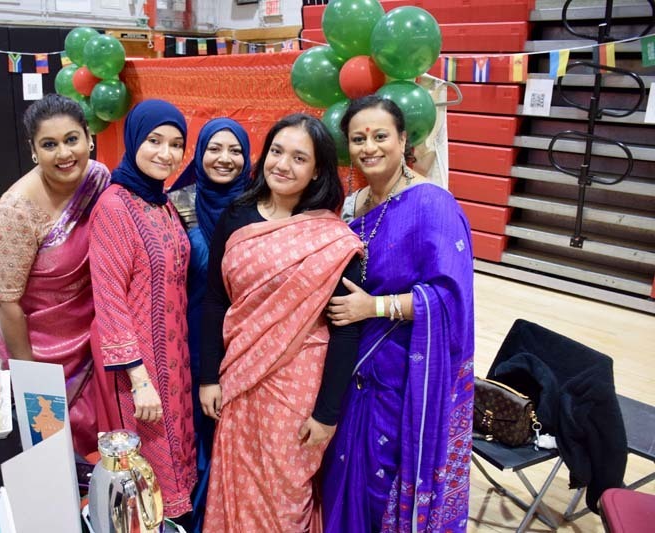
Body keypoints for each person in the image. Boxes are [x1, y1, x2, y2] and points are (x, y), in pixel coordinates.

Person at [199, 113, 363, 532]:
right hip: (238, 376)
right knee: (238, 482)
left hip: (297, 386)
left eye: (299, 158)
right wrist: (208, 377)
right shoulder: (236, 216)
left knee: (284, 491)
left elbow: (346, 331)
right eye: (276, 151)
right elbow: (216, 301)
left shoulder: (330, 238)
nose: (282, 165)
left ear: (317, 171)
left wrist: (326, 414)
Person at [322, 95, 475, 532]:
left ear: (403, 139)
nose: (369, 147)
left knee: (382, 480)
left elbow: (450, 299)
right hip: (352, 365)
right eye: (358, 138)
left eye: (380, 136)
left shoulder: (432, 204)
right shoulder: (353, 204)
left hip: (405, 372)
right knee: (343, 473)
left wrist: (373, 307)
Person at [0, 94, 110, 457]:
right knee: (51, 451)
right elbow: (6, 301)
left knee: (102, 441)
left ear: (89, 138)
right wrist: (31, 380)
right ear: (33, 150)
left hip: (94, 338)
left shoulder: (99, 179)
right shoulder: (16, 210)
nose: (64, 154)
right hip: (39, 347)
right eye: (49, 144)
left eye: (71, 139)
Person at [89, 99, 196, 522]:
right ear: (134, 140)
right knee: (145, 477)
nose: (166, 153)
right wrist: (139, 380)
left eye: (176, 144)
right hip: (140, 370)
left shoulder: (161, 201)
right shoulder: (114, 206)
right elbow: (109, 298)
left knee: (175, 458)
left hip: (174, 362)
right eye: (154, 141)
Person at [167, 117, 251, 533]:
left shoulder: (258, 205)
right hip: (192, 342)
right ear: (199, 154)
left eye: (235, 150)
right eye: (214, 148)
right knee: (198, 433)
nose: (225, 158)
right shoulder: (175, 205)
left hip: (247, 344)